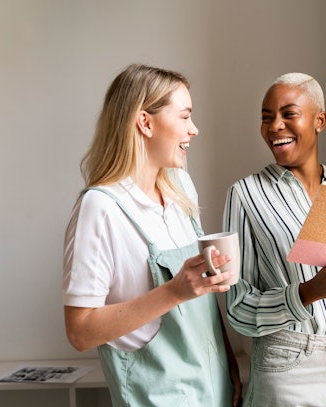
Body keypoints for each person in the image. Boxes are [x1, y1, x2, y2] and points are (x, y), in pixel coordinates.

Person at [62, 64, 242, 407]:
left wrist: (229, 362)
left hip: (213, 388)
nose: (195, 129)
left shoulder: (180, 188)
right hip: (155, 397)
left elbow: (202, 296)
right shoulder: (100, 208)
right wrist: (174, 291)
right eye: (185, 116)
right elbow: (80, 331)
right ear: (146, 123)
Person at [223, 72, 326, 406]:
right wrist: (308, 292)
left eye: (288, 114)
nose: (275, 126)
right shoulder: (246, 194)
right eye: (267, 118)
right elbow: (239, 308)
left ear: (319, 121)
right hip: (288, 365)